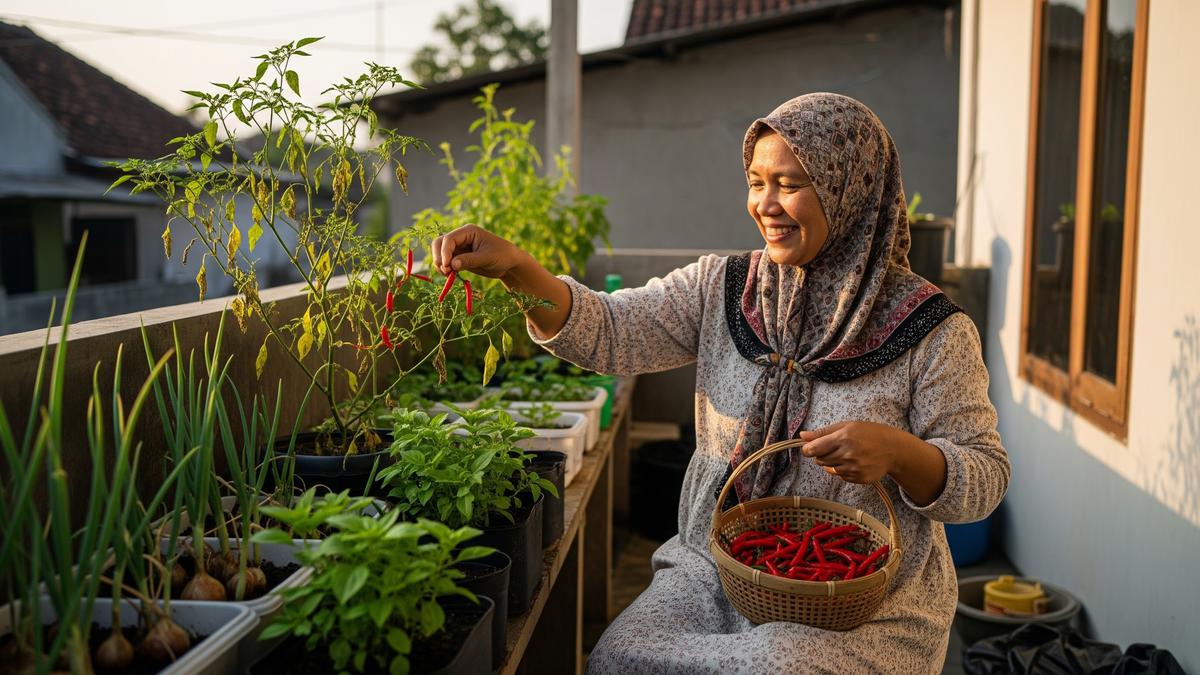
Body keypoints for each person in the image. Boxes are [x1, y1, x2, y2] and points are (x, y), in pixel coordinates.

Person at [431, 93, 1010, 674]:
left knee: (770, 669)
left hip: (863, 601)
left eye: (790, 184)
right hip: (719, 568)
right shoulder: (724, 288)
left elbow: (983, 476)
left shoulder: (933, 330)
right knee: (619, 658)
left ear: (849, 189)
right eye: (757, 182)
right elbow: (608, 331)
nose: (766, 204)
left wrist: (900, 453)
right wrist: (515, 268)